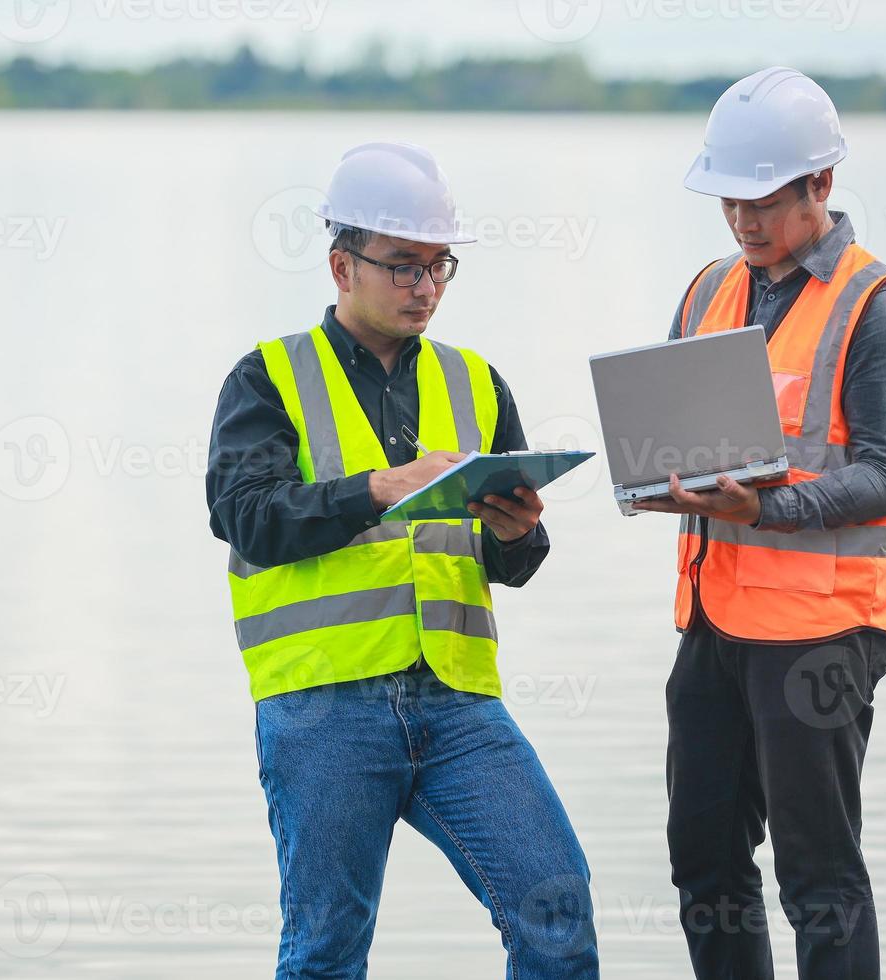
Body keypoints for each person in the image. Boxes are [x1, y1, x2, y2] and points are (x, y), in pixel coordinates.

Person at [206, 141, 598, 978]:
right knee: (326, 953)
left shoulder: (478, 382)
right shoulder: (267, 378)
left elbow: (518, 561)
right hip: (322, 710)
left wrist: (517, 530)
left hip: (459, 704)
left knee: (557, 912)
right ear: (342, 266)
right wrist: (376, 487)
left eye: (438, 267)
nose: (424, 288)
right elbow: (244, 518)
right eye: (403, 267)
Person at [634, 67, 886, 979]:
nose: (743, 222)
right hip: (714, 622)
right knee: (704, 860)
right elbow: (685, 435)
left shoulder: (876, 310)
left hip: (823, 635)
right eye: (730, 201)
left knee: (819, 876)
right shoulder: (706, 291)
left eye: (764, 201)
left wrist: (767, 507)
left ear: (823, 185)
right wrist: (658, 479)